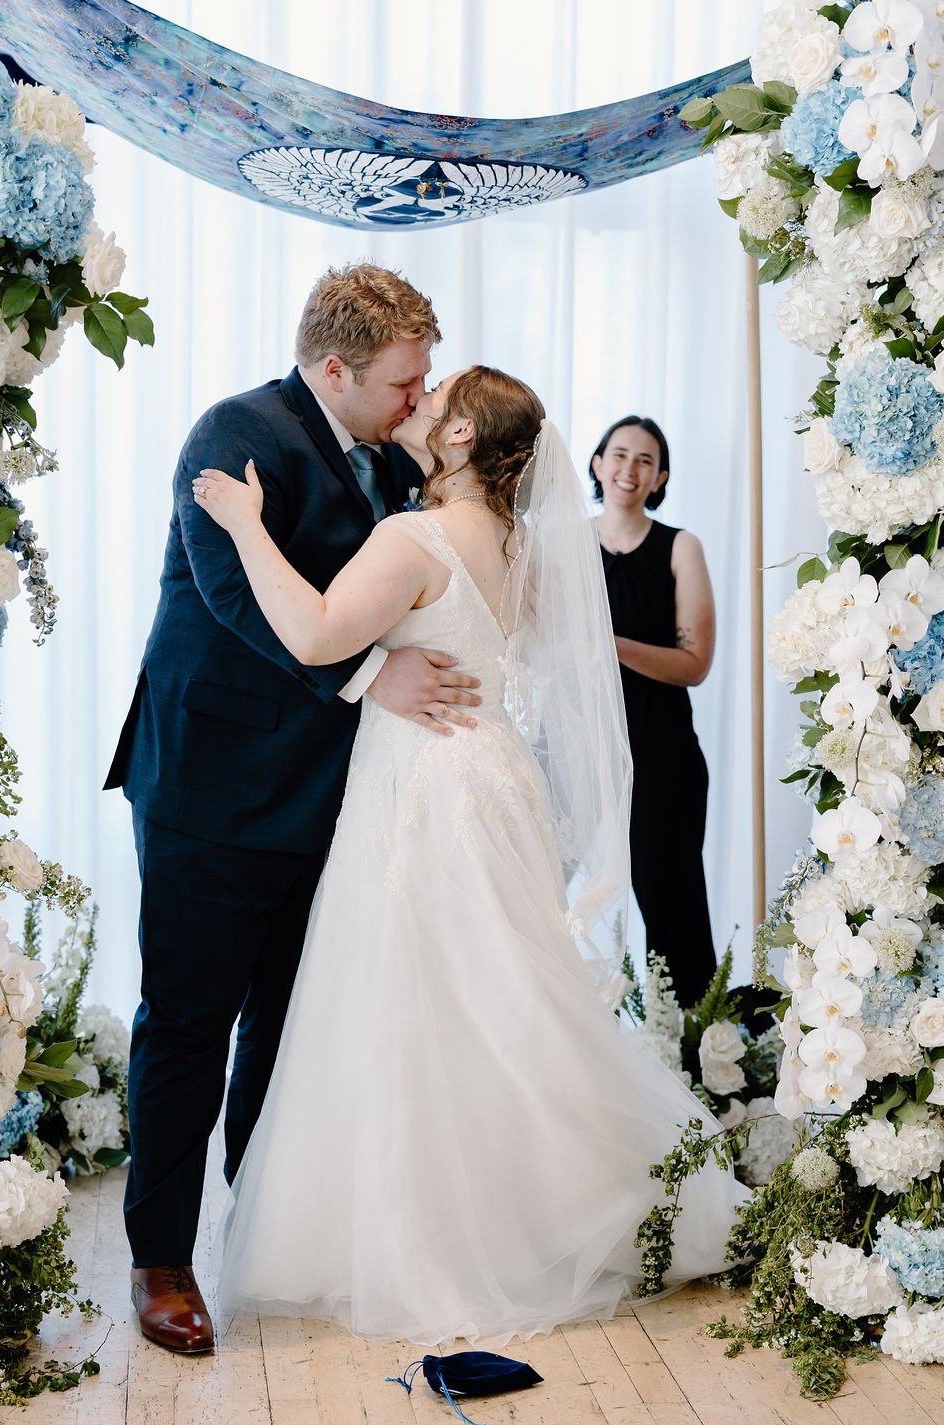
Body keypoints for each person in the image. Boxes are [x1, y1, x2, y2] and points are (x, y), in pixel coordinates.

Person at [195, 367, 746, 1347]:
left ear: (456, 443)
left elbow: (318, 634)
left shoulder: (411, 539)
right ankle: (551, 1211)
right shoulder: (522, 542)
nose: (417, 408)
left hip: (424, 784)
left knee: (417, 1002)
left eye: (435, 403)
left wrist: (245, 527)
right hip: (495, 772)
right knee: (498, 1001)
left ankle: (436, 1237)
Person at [104, 264, 486, 1354]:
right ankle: (161, 1262)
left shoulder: (385, 455)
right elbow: (229, 594)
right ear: (335, 368)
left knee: (285, 1019)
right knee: (188, 1023)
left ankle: (260, 1225)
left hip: (326, 792)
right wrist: (371, 678)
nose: (420, 400)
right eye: (405, 383)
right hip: (208, 787)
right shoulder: (235, 431)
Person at [591, 416, 716, 1009]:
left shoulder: (679, 546)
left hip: (662, 751)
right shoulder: (564, 546)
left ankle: (695, 1060)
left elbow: (694, 663)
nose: (629, 469)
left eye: (645, 460)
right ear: (597, 464)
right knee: (546, 896)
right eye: (618, 455)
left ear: (660, 477)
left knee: (674, 909)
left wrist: (608, 644)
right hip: (581, 747)